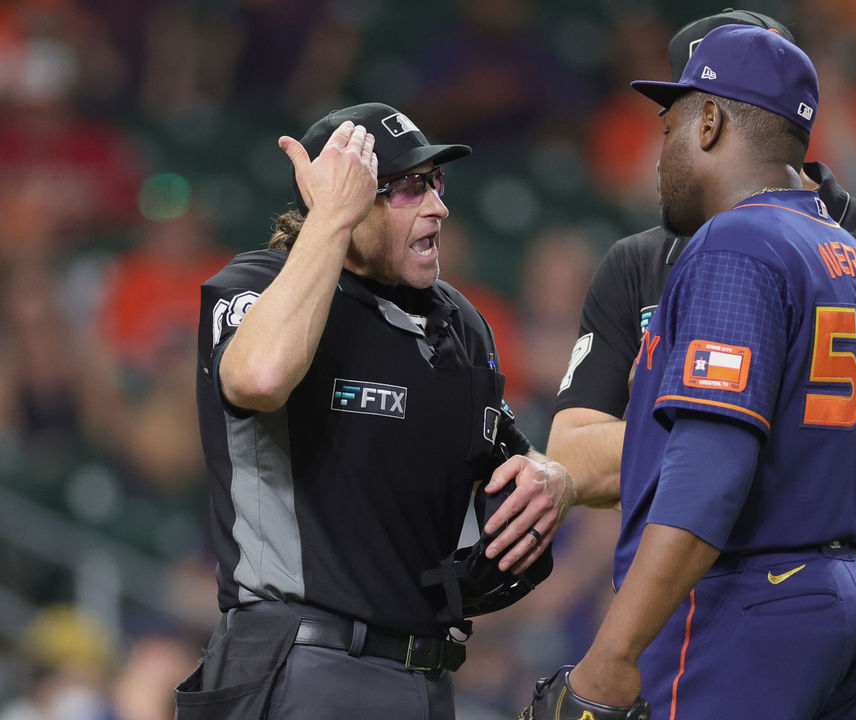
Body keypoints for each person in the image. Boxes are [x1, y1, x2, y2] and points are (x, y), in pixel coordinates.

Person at [546, 10, 856, 720]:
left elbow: (711, 474)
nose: (659, 153)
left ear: (711, 123)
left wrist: (613, 654)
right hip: (851, 598)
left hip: (750, 601)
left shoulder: (738, 243)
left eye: (667, 130)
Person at [182, 102, 574, 720]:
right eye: (408, 189)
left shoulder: (458, 323)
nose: (438, 207)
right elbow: (259, 378)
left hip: (426, 674)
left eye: (436, 184)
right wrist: (331, 219)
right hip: (297, 662)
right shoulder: (258, 283)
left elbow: (504, 456)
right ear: (342, 199)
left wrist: (551, 475)